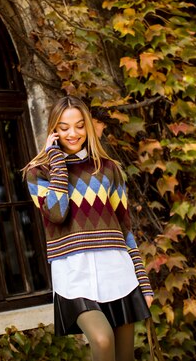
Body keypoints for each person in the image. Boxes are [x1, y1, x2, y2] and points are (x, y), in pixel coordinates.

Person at [23, 96, 154, 361]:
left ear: (88, 128)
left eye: (80, 126)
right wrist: (56, 161)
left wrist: (143, 281)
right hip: (74, 276)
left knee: (125, 357)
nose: (73, 133)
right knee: (102, 340)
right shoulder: (38, 173)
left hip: (117, 273)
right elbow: (57, 214)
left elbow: (125, 226)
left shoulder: (109, 169)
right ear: (53, 131)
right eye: (64, 127)